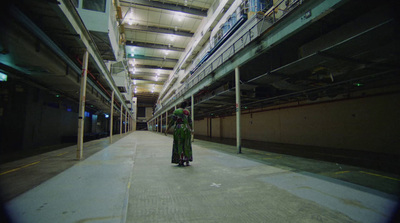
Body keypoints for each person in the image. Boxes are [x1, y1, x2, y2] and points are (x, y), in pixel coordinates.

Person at [165, 101, 193, 166]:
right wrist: (192, 129)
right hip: (186, 129)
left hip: (178, 129)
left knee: (179, 144)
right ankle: (187, 160)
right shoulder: (187, 112)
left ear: (179, 105)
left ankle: (180, 160)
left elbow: (172, 121)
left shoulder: (176, 111)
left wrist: (167, 129)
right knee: (187, 144)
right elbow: (190, 122)